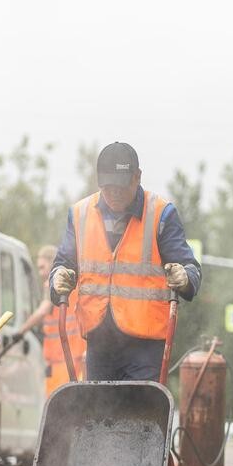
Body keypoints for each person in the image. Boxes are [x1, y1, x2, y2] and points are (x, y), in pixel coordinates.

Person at [50, 142, 200, 381]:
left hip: (146, 346)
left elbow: (191, 268)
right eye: (108, 187)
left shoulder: (161, 214)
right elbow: (63, 263)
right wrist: (58, 277)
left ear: (137, 177)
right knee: (98, 413)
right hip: (99, 340)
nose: (114, 194)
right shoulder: (80, 214)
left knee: (140, 412)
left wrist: (184, 278)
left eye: (120, 186)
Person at [10, 245, 86, 395]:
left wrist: (20, 331)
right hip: (73, 353)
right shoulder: (74, 283)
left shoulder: (52, 284)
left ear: (53, 263)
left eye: (42, 267)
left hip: (60, 357)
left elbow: (43, 311)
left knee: (58, 402)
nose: (40, 273)